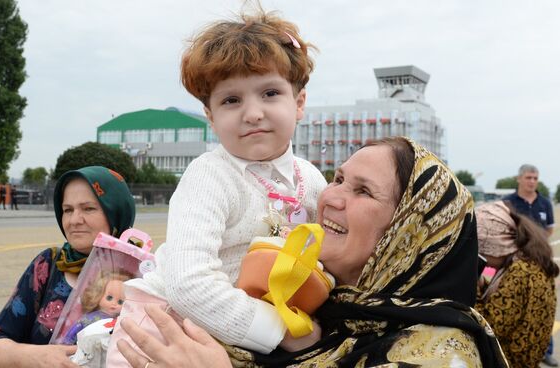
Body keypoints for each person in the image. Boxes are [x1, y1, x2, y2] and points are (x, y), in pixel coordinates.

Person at [116, 137, 509, 367]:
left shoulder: (439, 350)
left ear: (409, 235)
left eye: (363, 190)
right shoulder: (314, 308)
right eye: (338, 178)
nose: (331, 197)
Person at [106, 9, 328, 366]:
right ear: (210, 116)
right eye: (231, 100)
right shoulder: (210, 175)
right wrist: (283, 331)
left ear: (299, 102)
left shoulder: (312, 179)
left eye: (270, 93)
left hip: (241, 334)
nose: (252, 113)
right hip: (165, 328)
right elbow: (187, 282)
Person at [0, 166, 136, 368]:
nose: (74, 220)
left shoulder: (141, 276)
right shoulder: (49, 264)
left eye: (88, 208)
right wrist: (31, 356)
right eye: (67, 210)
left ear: (116, 212)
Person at [474, 200, 558, 367]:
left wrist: (472, 289)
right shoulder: (514, 259)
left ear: (496, 246)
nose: (482, 262)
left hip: (511, 362)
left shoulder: (521, 272)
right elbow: (488, 276)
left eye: (482, 253)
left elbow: (488, 326)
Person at [502, 163, 557, 366]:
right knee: (516, 305)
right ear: (519, 179)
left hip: (541, 261)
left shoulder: (544, 203)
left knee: (544, 306)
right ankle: (510, 346)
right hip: (514, 262)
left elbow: (549, 230)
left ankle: (546, 350)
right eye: (528, 177)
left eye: (535, 178)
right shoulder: (508, 202)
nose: (532, 181)